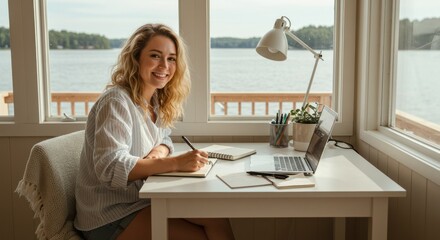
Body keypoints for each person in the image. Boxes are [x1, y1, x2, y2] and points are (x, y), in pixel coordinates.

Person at [74, 23, 235, 240]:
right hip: (109, 214)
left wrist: (157, 153)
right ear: (136, 58)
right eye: (155, 56)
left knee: (216, 217)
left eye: (171, 58)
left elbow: (165, 140)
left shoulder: (154, 101)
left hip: (143, 200)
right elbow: (110, 167)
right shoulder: (117, 101)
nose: (164, 66)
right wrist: (176, 163)